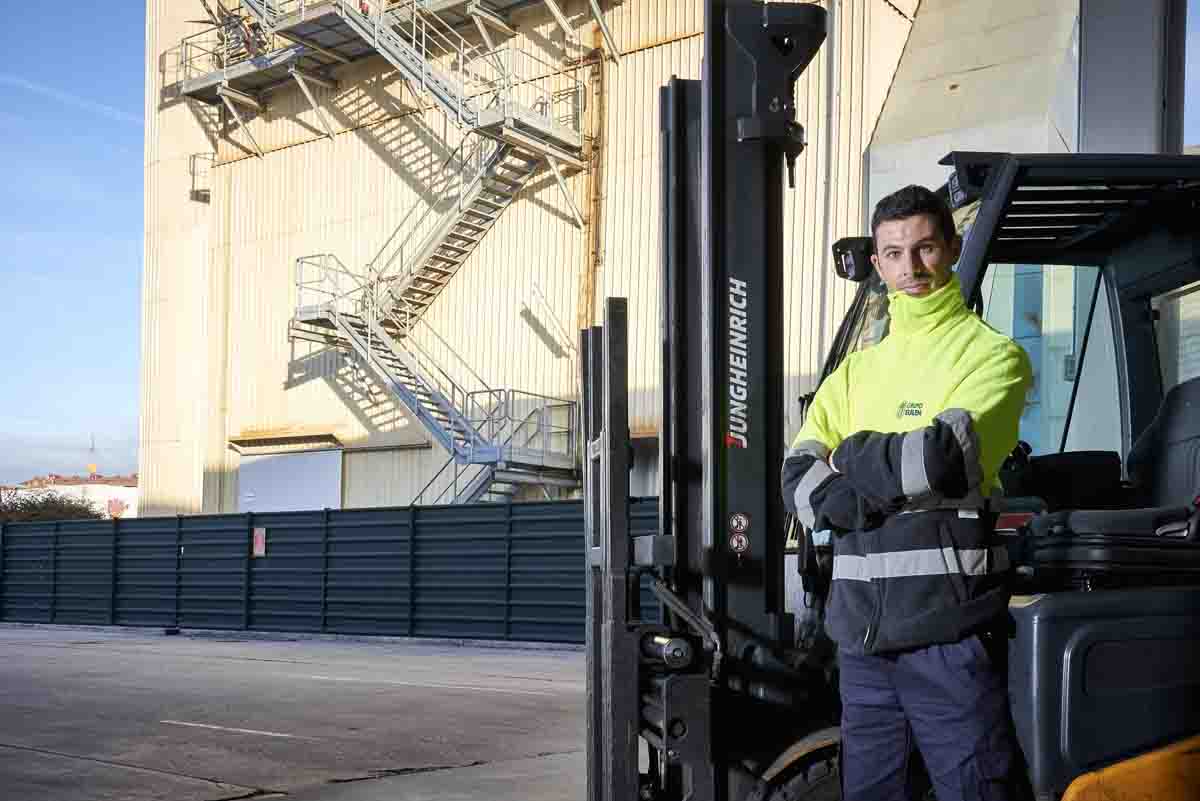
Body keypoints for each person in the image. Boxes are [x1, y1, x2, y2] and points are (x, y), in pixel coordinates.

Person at [781, 185, 1033, 801]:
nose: (911, 269)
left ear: (950, 248)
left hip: (946, 633)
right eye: (894, 253)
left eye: (924, 248)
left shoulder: (994, 356)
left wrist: (852, 458)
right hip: (862, 642)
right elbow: (799, 481)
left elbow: (942, 462)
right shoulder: (855, 371)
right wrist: (882, 470)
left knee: (975, 790)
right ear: (878, 264)